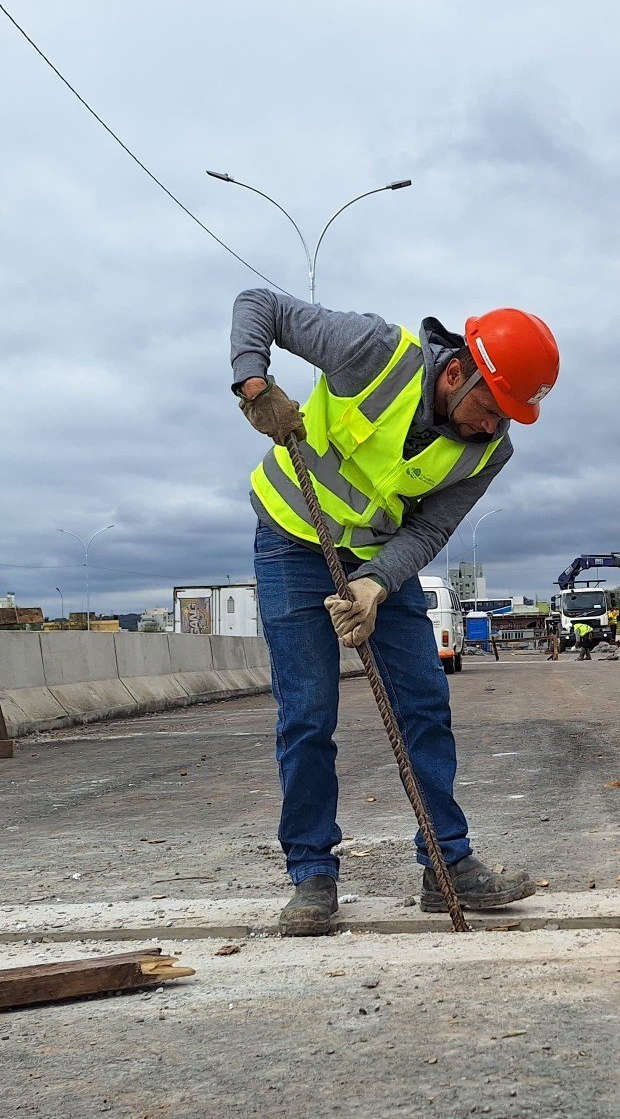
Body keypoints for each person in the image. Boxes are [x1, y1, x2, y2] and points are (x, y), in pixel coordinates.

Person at [230, 288, 559, 936]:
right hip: (295, 537)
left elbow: (430, 530)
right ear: (459, 372)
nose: (491, 427)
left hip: (379, 559)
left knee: (425, 703)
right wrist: (253, 384)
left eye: (508, 418)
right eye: (490, 409)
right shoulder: (373, 351)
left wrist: (377, 586)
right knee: (307, 711)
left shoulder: (491, 450)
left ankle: (447, 867)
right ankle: (312, 874)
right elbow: (257, 303)